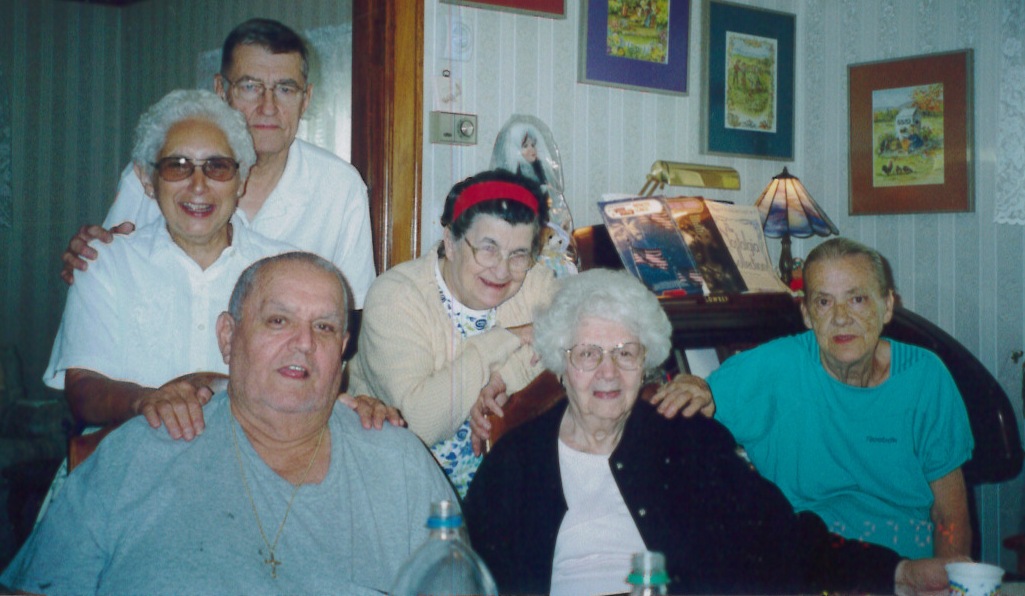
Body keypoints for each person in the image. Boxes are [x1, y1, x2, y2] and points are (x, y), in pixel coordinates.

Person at [462, 268, 960, 595]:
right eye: (589, 354)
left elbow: (782, 539)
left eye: (626, 353)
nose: (608, 373)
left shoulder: (687, 440)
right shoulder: (515, 464)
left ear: (648, 362)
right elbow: (468, 576)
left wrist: (897, 573)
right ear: (561, 363)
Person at [1, 253, 456, 594]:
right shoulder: (139, 453)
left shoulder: (398, 465)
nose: (303, 343)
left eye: (324, 327)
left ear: (342, 349)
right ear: (228, 336)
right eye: (278, 320)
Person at [60, 18, 376, 308]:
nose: (268, 107)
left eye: (285, 89)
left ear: (305, 99)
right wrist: (91, 256)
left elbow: (353, 314)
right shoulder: (158, 174)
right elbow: (103, 277)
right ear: (221, 91)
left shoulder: (341, 189)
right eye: (250, 87)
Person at [698, 237, 973, 559]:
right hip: (815, 565)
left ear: (887, 306)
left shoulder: (924, 376)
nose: (841, 317)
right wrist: (690, 385)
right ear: (807, 314)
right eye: (824, 302)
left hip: (910, 566)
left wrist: (947, 579)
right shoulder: (777, 367)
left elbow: (950, 518)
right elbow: (688, 411)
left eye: (857, 299)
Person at [491, 116, 577, 277]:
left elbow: (551, 209)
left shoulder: (540, 174)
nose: (532, 150)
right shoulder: (511, 183)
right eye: (525, 146)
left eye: (533, 145)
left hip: (544, 237)